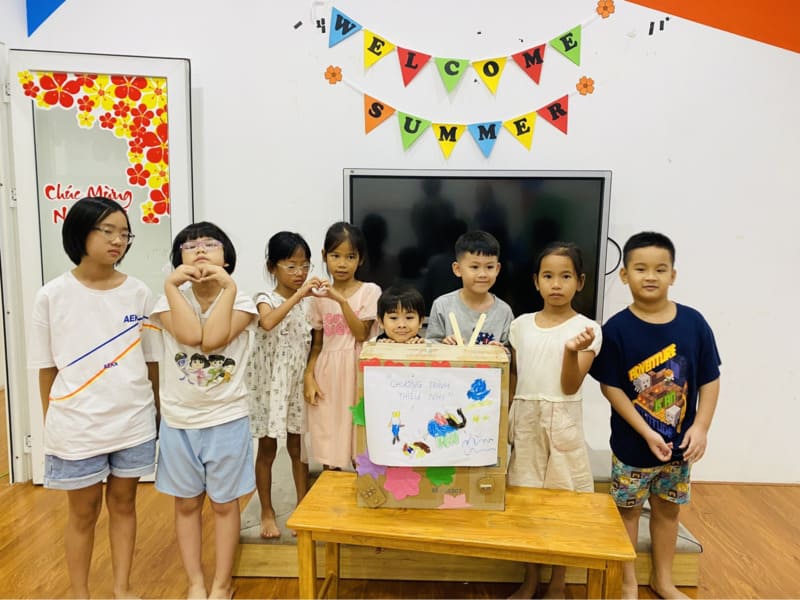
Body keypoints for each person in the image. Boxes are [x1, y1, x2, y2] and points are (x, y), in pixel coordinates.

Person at [28, 196, 159, 599]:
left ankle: (122, 589)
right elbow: (46, 368)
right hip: (77, 425)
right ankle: (80, 593)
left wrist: (154, 412)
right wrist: (54, 422)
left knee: (124, 504)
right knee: (83, 513)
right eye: (108, 231)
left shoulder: (139, 292)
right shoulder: (52, 295)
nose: (118, 241)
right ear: (80, 233)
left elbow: (150, 360)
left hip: (132, 420)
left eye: (125, 234)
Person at [590, 231, 721, 600]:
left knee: (667, 511)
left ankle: (663, 580)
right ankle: (628, 582)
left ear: (673, 275)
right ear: (624, 275)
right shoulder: (616, 329)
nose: (650, 276)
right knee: (628, 514)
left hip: (679, 449)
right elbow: (611, 387)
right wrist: (646, 432)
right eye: (641, 268)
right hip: (632, 449)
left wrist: (701, 427)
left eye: (660, 269)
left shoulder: (694, 323)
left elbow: (710, 379)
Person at [151, 222, 258, 599]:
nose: (199, 250)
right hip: (179, 420)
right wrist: (170, 286)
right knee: (186, 505)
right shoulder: (165, 301)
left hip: (227, 418)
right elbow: (190, 336)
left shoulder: (242, 301)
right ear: (178, 259)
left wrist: (228, 288)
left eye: (210, 244)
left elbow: (211, 341)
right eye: (189, 245)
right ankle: (196, 583)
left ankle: (221, 584)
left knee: (225, 505)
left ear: (226, 258)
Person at [507, 242, 602, 599]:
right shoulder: (520, 326)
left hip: (563, 420)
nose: (556, 284)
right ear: (536, 281)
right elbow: (515, 378)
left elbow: (570, 384)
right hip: (526, 419)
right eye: (548, 276)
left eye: (566, 276)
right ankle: (530, 578)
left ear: (580, 282)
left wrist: (571, 351)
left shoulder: (588, 329)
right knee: (525, 500)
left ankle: (558, 582)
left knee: (563, 503)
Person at [246, 231, 322, 539]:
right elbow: (267, 322)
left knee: (297, 449)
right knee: (267, 449)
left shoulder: (309, 304)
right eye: (291, 266)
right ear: (272, 267)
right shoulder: (264, 298)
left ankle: (302, 507)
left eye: (305, 265)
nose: (299, 272)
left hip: (296, 385)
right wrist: (299, 295)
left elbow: (315, 343)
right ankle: (267, 511)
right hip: (270, 388)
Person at [304, 222, 381, 469]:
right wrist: (309, 376)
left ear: (360, 259)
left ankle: (364, 485)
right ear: (324, 256)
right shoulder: (317, 297)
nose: (342, 263)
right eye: (335, 256)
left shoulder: (370, 291)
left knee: (360, 437)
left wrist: (341, 301)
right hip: (328, 373)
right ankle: (329, 483)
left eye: (350, 257)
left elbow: (361, 334)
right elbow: (317, 344)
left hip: (359, 371)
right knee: (328, 436)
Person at [425, 230, 513, 346]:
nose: (482, 274)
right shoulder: (442, 306)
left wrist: (500, 350)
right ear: (457, 269)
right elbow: (430, 345)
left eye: (489, 267)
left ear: (497, 269)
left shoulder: (504, 311)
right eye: (475, 267)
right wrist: (444, 345)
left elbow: (509, 351)